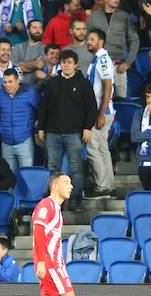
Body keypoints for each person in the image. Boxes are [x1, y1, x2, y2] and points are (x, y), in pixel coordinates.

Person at [38, 50, 95, 208]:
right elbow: (43, 107)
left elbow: (91, 108)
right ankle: (54, 201)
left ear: (75, 64)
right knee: (53, 169)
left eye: (69, 62)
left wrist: (87, 127)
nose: (66, 65)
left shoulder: (84, 83)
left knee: (76, 168)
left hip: (74, 133)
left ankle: (76, 199)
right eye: (64, 62)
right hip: (53, 133)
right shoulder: (52, 82)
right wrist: (41, 127)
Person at [87, 0, 139, 100]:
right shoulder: (93, 17)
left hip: (118, 66)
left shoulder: (125, 17)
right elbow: (87, 41)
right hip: (99, 66)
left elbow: (134, 40)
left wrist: (128, 62)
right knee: (97, 99)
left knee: (122, 100)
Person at [85, 28, 116, 197]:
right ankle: (108, 184)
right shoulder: (97, 59)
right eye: (88, 39)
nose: (88, 42)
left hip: (100, 111)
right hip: (99, 110)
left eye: (92, 39)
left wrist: (101, 113)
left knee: (93, 149)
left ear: (101, 42)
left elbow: (108, 86)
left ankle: (102, 186)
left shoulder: (103, 59)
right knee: (102, 149)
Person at [33, 172, 74, 296]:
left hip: (55, 263)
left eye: (70, 183)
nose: (71, 186)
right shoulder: (46, 204)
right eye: (66, 183)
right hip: (50, 264)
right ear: (55, 186)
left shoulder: (56, 208)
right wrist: (41, 261)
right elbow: (38, 231)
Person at [0, 69, 40, 171]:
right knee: (9, 177)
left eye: (10, 82)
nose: (7, 85)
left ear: (18, 80)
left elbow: (40, 110)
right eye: (5, 82)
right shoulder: (0, 94)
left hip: (24, 141)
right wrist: (0, 129)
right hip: (6, 142)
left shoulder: (29, 92)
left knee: (26, 175)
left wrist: (32, 127)